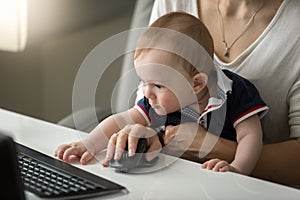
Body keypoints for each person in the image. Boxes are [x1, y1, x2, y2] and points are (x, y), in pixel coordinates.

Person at [55, 12, 268, 176]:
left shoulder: (235, 92)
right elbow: (121, 120)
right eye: (143, 82)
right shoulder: (156, 101)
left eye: (157, 85)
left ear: (196, 84)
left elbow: (250, 136)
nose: (147, 92)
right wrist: (89, 144)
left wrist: (238, 169)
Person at [145, 0, 300, 185]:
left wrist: (215, 148)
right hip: (168, 181)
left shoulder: (293, 26)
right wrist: (141, 135)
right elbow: (148, 101)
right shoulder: (172, 3)